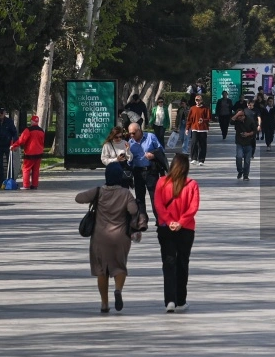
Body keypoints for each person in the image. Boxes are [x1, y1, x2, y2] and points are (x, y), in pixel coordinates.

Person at [75, 162, 142, 313]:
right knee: (120, 267)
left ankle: (104, 304)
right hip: (120, 237)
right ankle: (118, 289)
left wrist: (93, 199)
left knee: (101, 271)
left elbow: (78, 198)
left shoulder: (98, 191)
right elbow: (133, 210)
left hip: (100, 237)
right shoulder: (125, 193)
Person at [153, 153, 199, 313]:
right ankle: (181, 300)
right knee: (182, 263)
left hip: (166, 228)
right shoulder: (192, 185)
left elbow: (158, 205)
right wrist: (180, 222)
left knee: (169, 263)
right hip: (186, 229)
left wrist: (169, 220)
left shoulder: (161, 182)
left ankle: (170, 300)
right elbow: (193, 208)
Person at [127, 122, 168, 206]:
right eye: (130, 133)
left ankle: (158, 218)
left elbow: (161, 150)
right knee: (139, 198)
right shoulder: (130, 143)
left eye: (133, 133)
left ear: (139, 130)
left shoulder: (150, 137)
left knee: (155, 197)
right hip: (138, 172)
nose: (131, 135)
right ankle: (142, 217)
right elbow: (129, 161)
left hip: (151, 171)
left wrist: (153, 155)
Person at [9, 115, 46, 190]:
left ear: (32, 121)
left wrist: (14, 145)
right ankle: (35, 185)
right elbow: (42, 142)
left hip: (30, 153)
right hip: (39, 153)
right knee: (36, 170)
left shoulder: (28, 130)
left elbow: (22, 140)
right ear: (37, 121)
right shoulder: (41, 131)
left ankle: (26, 185)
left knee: (26, 169)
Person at [231, 102, 258, 181]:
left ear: (244, 115)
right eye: (238, 116)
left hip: (248, 142)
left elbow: (255, 131)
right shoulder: (236, 120)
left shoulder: (250, 120)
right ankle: (240, 171)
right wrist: (236, 115)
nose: (240, 118)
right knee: (238, 157)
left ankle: (246, 175)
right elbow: (231, 122)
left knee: (247, 160)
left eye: (241, 116)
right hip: (239, 142)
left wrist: (248, 134)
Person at [187, 93, 211, 165]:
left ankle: (201, 160)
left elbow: (209, 118)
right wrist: (187, 128)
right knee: (194, 143)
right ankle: (194, 158)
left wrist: (203, 120)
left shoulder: (206, 108)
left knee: (202, 144)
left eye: (199, 100)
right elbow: (189, 119)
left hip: (203, 129)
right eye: (196, 100)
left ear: (201, 100)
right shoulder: (192, 108)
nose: (197, 101)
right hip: (195, 128)